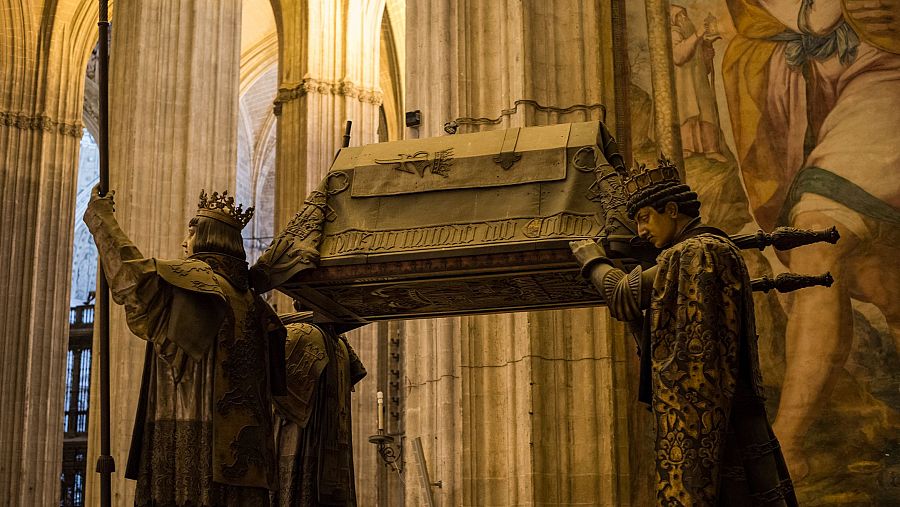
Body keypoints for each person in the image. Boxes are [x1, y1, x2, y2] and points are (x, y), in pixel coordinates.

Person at [722, 0, 900, 478]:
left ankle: (786, 444)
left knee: (817, 243)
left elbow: (819, 17)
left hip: (883, 86)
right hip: (839, 93)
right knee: (881, 280)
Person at [570, 159, 796, 505]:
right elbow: (654, 330)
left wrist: (591, 259)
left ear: (672, 210)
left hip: (709, 418)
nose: (641, 231)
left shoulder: (696, 251)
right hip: (728, 409)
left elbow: (621, 295)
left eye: (644, 217)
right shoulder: (711, 251)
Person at [84, 187, 286, 506]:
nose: (183, 241)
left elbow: (133, 277)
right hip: (247, 463)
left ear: (209, 237)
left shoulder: (196, 284)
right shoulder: (259, 308)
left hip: (193, 451)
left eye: (191, 232)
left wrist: (102, 219)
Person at [271, 311, 366, 507]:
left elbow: (268, 380)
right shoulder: (341, 344)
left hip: (303, 439)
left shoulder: (301, 334)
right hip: (332, 450)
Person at [671, 4, 727, 163]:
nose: (684, 18)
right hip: (685, 83)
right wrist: (697, 35)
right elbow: (679, 56)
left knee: (706, 113)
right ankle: (687, 148)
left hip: (699, 82)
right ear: (673, 20)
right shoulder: (674, 33)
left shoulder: (692, 35)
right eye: (679, 16)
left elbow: (703, 65)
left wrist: (707, 50)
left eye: (684, 14)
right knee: (688, 113)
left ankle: (711, 149)